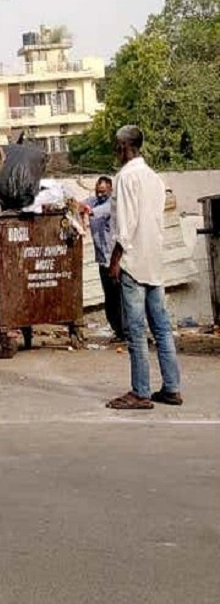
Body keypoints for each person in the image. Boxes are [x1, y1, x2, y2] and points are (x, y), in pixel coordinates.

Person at [106, 125, 183, 410]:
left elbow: (125, 227)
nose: (116, 151)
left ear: (125, 147)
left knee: (136, 330)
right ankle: (171, 387)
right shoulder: (154, 178)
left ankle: (140, 392)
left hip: (134, 261)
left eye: (117, 146)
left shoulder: (126, 178)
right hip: (154, 261)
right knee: (161, 328)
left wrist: (115, 260)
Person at [80, 176, 123, 341]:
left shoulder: (110, 204)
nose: (100, 194)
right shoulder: (96, 200)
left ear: (110, 190)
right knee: (110, 298)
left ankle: (124, 331)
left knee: (118, 297)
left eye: (103, 191)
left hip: (113, 259)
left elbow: (90, 211)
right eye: (98, 191)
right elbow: (81, 205)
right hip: (102, 259)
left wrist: (84, 210)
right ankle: (117, 330)